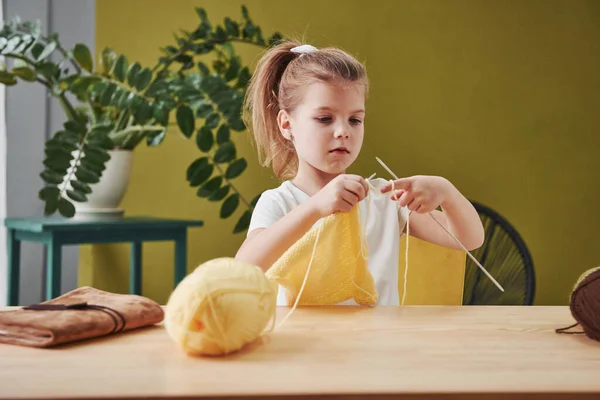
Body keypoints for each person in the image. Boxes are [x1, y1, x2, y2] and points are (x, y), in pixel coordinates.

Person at [235, 40, 484, 306]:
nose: (343, 131)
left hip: (376, 345)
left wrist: (446, 192)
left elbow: (469, 239)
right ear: (287, 124)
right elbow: (244, 270)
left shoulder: (383, 199)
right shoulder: (280, 203)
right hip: (304, 345)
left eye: (355, 119)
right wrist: (315, 207)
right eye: (324, 118)